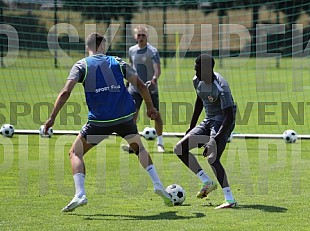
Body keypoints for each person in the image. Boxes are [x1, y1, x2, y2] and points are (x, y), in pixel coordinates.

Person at [43, 33, 172, 212]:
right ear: (102, 45)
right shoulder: (117, 62)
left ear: (87, 47)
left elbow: (65, 92)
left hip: (99, 122)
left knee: (75, 152)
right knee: (139, 149)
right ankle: (158, 184)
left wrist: (51, 118)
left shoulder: (81, 65)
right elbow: (142, 85)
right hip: (125, 119)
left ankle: (80, 194)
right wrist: (150, 108)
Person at [173, 54, 237, 209]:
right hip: (208, 121)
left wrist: (213, 140)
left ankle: (230, 199)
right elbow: (199, 100)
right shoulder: (197, 80)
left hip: (223, 122)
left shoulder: (221, 86)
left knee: (212, 158)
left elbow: (229, 116)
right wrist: (192, 125)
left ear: (208, 70)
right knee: (179, 148)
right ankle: (207, 181)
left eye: (198, 69)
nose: (195, 72)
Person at [122, 25, 165, 153]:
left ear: (147, 36)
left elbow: (157, 69)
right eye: (138, 35)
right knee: (132, 116)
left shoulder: (152, 51)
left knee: (155, 115)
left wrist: (154, 79)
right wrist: (127, 83)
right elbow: (131, 67)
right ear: (135, 37)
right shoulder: (131, 50)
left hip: (149, 88)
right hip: (134, 89)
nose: (141, 37)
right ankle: (133, 145)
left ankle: (160, 143)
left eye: (143, 35)